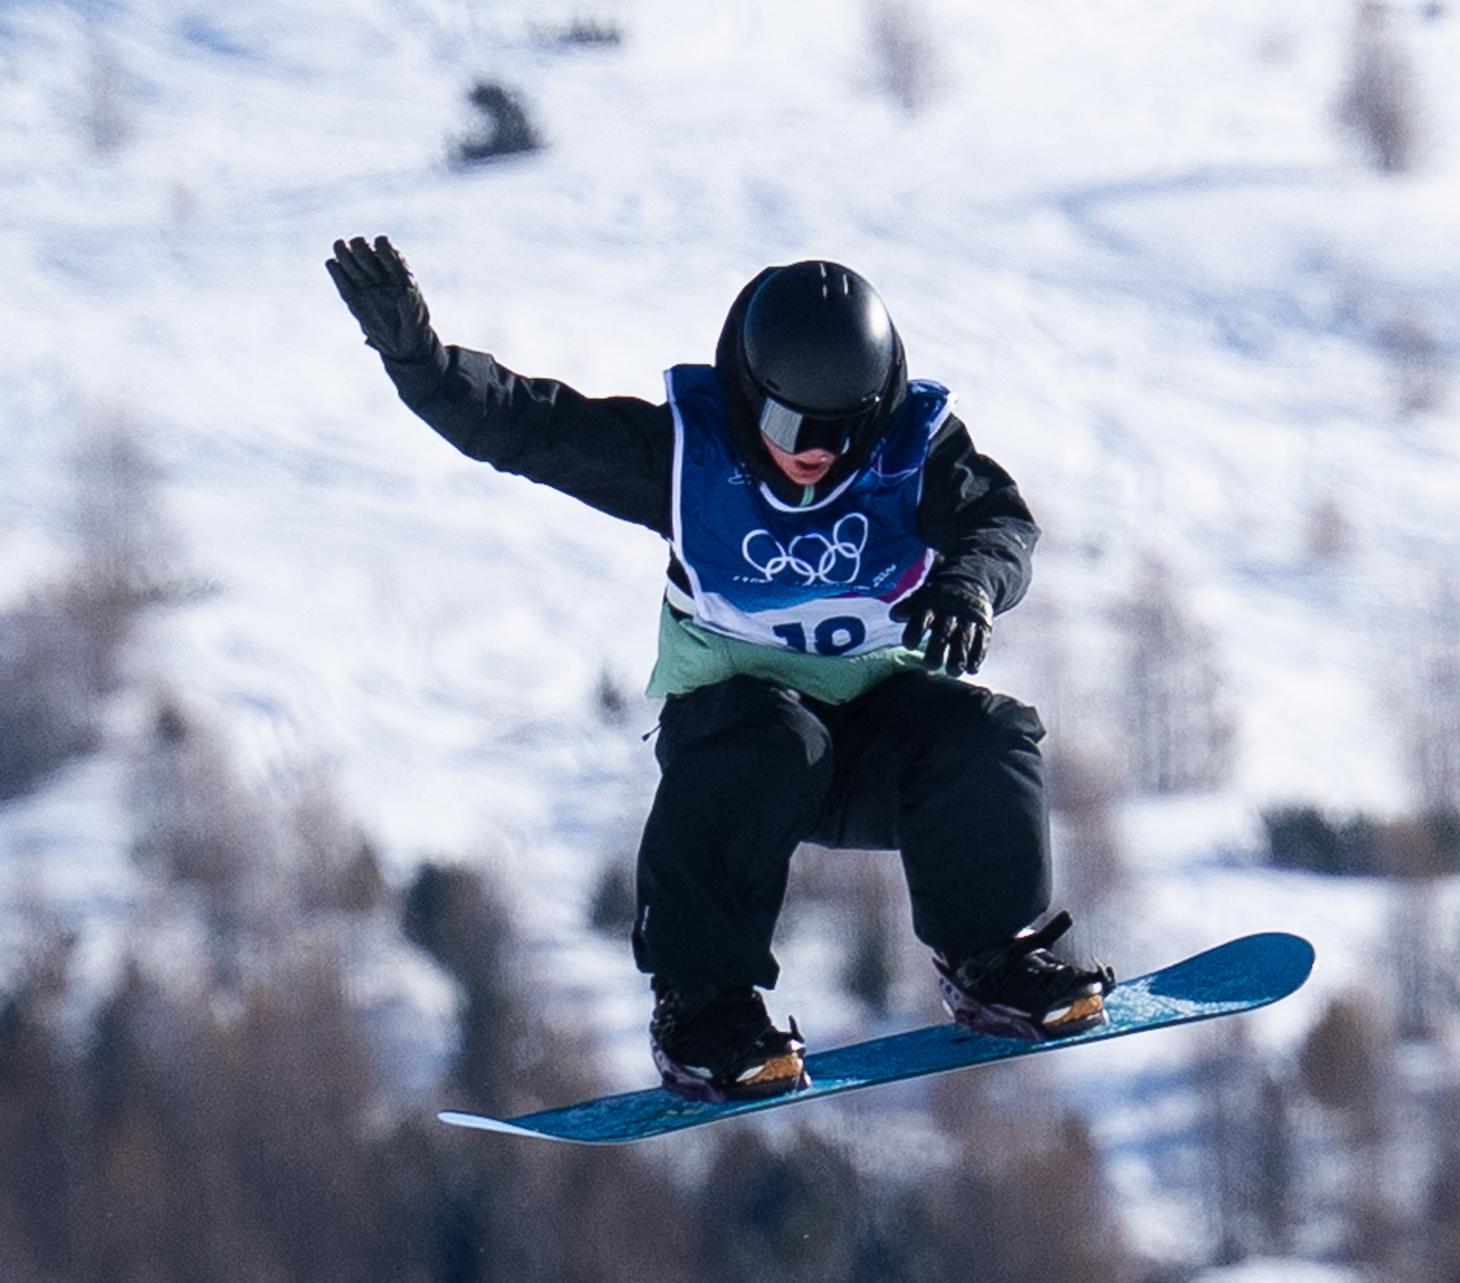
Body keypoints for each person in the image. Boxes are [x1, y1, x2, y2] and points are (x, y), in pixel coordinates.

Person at [326, 236, 1112, 1102]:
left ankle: (993, 958)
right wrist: (420, 360)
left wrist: (971, 585)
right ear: (747, 399)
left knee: (987, 730)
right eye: (787, 426)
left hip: (874, 747)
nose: (813, 453)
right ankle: (703, 1008)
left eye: (840, 430)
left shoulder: (913, 455)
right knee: (776, 735)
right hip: (739, 752)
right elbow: (524, 426)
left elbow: (1001, 524)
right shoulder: (685, 461)